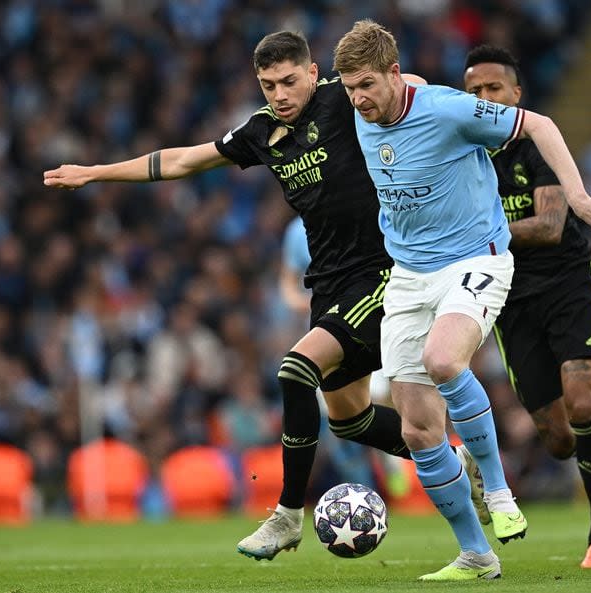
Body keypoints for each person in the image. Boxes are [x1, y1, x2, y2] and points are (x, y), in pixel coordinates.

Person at [44, 31, 486, 561]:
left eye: (288, 81)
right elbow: (185, 160)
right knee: (349, 419)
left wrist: (433, 94)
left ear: (313, 73)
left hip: (384, 274)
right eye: (268, 84)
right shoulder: (261, 130)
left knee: (295, 371)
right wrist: (96, 173)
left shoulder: (343, 102)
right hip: (328, 282)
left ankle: (286, 515)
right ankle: (456, 460)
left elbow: (406, 90)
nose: (279, 93)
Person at [333, 20, 591, 581]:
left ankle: (499, 489)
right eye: (349, 88)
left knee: (446, 361)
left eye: (367, 84)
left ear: (394, 74)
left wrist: (579, 198)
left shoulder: (447, 109)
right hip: (409, 275)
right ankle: (475, 554)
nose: (358, 99)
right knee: (418, 427)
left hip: (476, 260)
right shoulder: (361, 107)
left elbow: (538, 123)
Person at [462, 45, 591, 569]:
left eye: (494, 89)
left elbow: (549, 225)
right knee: (561, 440)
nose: (485, 98)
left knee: (581, 403)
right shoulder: (461, 154)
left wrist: (479, 234)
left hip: (566, 287)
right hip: (509, 301)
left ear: (516, 95)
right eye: (474, 91)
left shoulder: (537, 142)